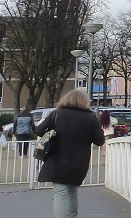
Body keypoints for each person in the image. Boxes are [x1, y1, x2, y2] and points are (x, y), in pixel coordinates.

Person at [35, 89, 105, 218]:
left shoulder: (57, 114)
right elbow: (100, 141)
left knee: (60, 193)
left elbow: (39, 130)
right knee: (72, 191)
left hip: (58, 159)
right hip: (80, 162)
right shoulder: (90, 117)